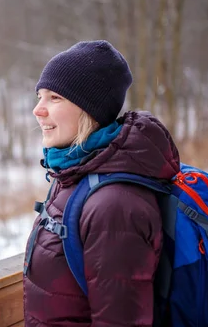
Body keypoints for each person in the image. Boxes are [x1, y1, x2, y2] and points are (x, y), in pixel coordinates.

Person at [23, 40, 181, 327]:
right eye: (39, 96)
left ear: (89, 110)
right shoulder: (76, 173)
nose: (38, 110)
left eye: (54, 98)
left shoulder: (114, 205)